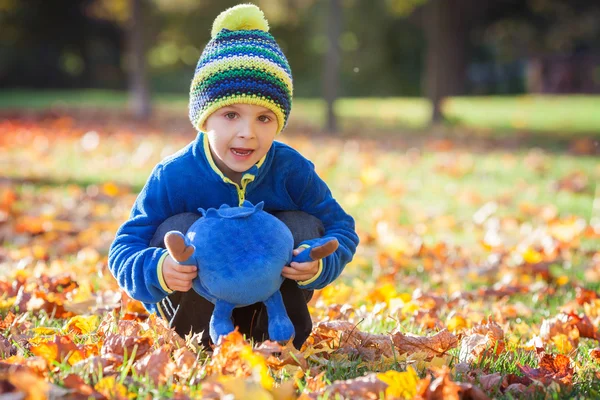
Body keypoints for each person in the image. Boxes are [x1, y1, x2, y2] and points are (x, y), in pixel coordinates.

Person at [108, 3, 359, 350]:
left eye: (264, 119)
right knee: (175, 228)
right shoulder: (175, 175)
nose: (247, 133)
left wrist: (319, 265)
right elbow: (122, 249)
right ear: (204, 118)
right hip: (195, 304)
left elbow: (341, 229)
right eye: (230, 115)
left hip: (270, 299)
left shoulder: (290, 169)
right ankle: (200, 342)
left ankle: (277, 337)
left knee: (303, 224)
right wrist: (159, 270)